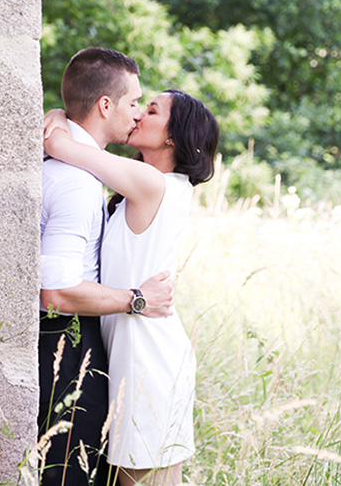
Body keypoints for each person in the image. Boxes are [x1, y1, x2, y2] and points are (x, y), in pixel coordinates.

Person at [43, 88, 219, 486]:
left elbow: (58, 143)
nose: (138, 114)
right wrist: (59, 110)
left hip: (148, 359)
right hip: (132, 351)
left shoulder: (151, 183)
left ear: (173, 137)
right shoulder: (143, 184)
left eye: (152, 110)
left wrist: (59, 113)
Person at [38, 47, 176, 486]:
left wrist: (58, 116)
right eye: (134, 102)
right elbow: (55, 291)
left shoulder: (73, 162)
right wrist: (137, 299)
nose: (137, 114)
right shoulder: (77, 184)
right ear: (104, 105)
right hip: (65, 341)